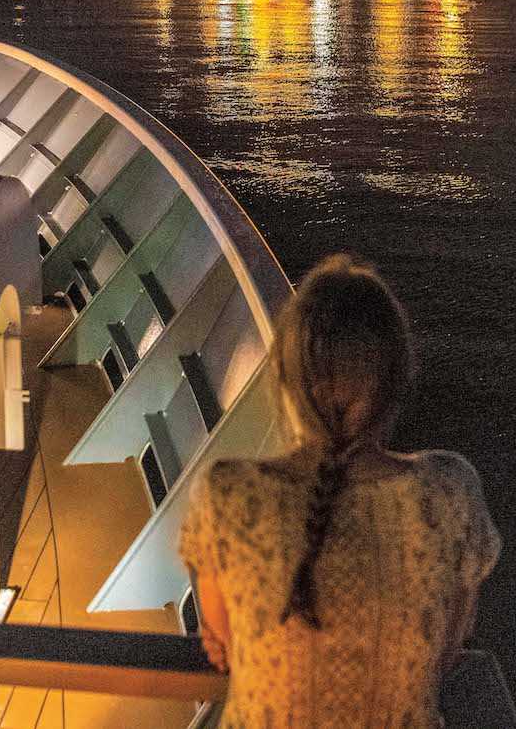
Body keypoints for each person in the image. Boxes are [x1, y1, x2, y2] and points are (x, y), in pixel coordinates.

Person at [179, 255, 499, 727]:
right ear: (396, 382)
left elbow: (223, 646)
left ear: (286, 380)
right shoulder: (449, 495)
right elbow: (446, 652)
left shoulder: (229, 495)